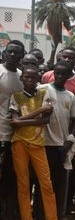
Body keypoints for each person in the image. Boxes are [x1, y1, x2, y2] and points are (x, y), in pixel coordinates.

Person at [9, 65, 57, 220]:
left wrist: (20, 121)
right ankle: (26, 217)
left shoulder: (44, 93)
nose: (29, 80)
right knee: (23, 184)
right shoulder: (15, 96)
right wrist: (39, 111)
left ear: (38, 79)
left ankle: (52, 217)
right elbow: (14, 122)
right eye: (26, 77)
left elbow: (46, 120)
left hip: (38, 144)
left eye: (33, 77)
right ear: (22, 78)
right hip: (19, 143)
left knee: (46, 184)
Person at [35, 61, 75, 219]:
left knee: (60, 184)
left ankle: (57, 215)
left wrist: (69, 141)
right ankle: (40, 215)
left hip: (61, 146)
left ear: (68, 76)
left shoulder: (70, 96)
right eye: (57, 73)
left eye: (63, 74)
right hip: (43, 145)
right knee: (43, 185)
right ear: (53, 74)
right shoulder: (42, 89)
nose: (60, 76)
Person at [0, 40, 25, 220]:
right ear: (4, 53)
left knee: (9, 178)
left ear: (22, 57)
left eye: (17, 53)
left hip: (14, 136)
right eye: (10, 52)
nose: (13, 55)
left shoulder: (23, 76)